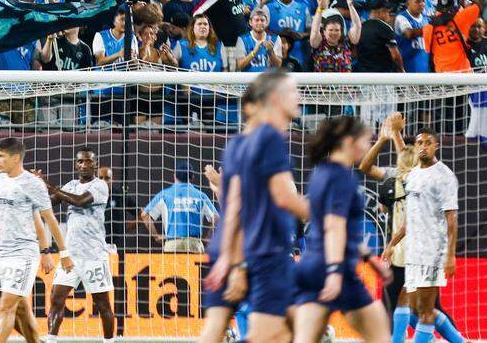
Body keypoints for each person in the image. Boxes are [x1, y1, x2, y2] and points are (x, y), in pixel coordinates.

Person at [212, 71, 310, 343]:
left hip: (251, 250)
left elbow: (234, 206)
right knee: (272, 334)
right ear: (274, 99)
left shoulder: (240, 144)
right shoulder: (268, 140)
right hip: (262, 252)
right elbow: (282, 198)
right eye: (293, 91)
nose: (299, 97)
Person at [0, 137, 74, 343]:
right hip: (2, 253)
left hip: (24, 254)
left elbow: (49, 220)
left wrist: (61, 253)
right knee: (20, 309)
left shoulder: (33, 184)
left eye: (1, 156)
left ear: (16, 158)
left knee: (6, 305)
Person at [291, 116, 393, 343]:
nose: (367, 146)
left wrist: (370, 259)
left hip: (311, 267)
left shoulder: (320, 173)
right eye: (365, 140)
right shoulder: (342, 179)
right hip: (337, 271)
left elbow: (339, 228)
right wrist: (335, 272)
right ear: (349, 142)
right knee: (381, 337)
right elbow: (335, 227)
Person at [383, 131, 464, 343]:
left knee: (425, 311)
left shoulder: (444, 176)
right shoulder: (414, 175)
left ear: (436, 146)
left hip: (433, 251)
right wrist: (392, 243)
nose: (423, 146)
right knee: (404, 303)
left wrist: (450, 255)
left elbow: (452, 218)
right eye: (420, 142)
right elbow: (410, 217)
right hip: (414, 250)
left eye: (428, 143)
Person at [35, 148, 115, 343]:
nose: (84, 165)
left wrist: (47, 183)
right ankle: (51, 339)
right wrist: (35, 187)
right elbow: (49, 203)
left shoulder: (100, 186)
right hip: (70, 256)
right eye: (80, 162)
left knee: (102, 304)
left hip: (94, 255)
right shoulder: (70, 185)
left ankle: (109, 341)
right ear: (75, 164)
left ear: (95, 164)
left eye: (88, 161)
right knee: (56, 299)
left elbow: (79, 201)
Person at [141, 160, 218, 253]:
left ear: (174, 175)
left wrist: (157, 236)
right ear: (192, 177)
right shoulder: (200, 196)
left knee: (171, 268)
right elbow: (216, 217)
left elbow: (144, 215)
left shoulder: (165, 195)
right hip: (194, 244)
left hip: (173, 244)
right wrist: (208, 237)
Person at [422, 0, 482, 72]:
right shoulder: (462, 17)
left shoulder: (427, 28)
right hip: (464, 75)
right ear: (453, 7)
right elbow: (479, 5)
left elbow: (428, 51)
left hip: (443, 77)